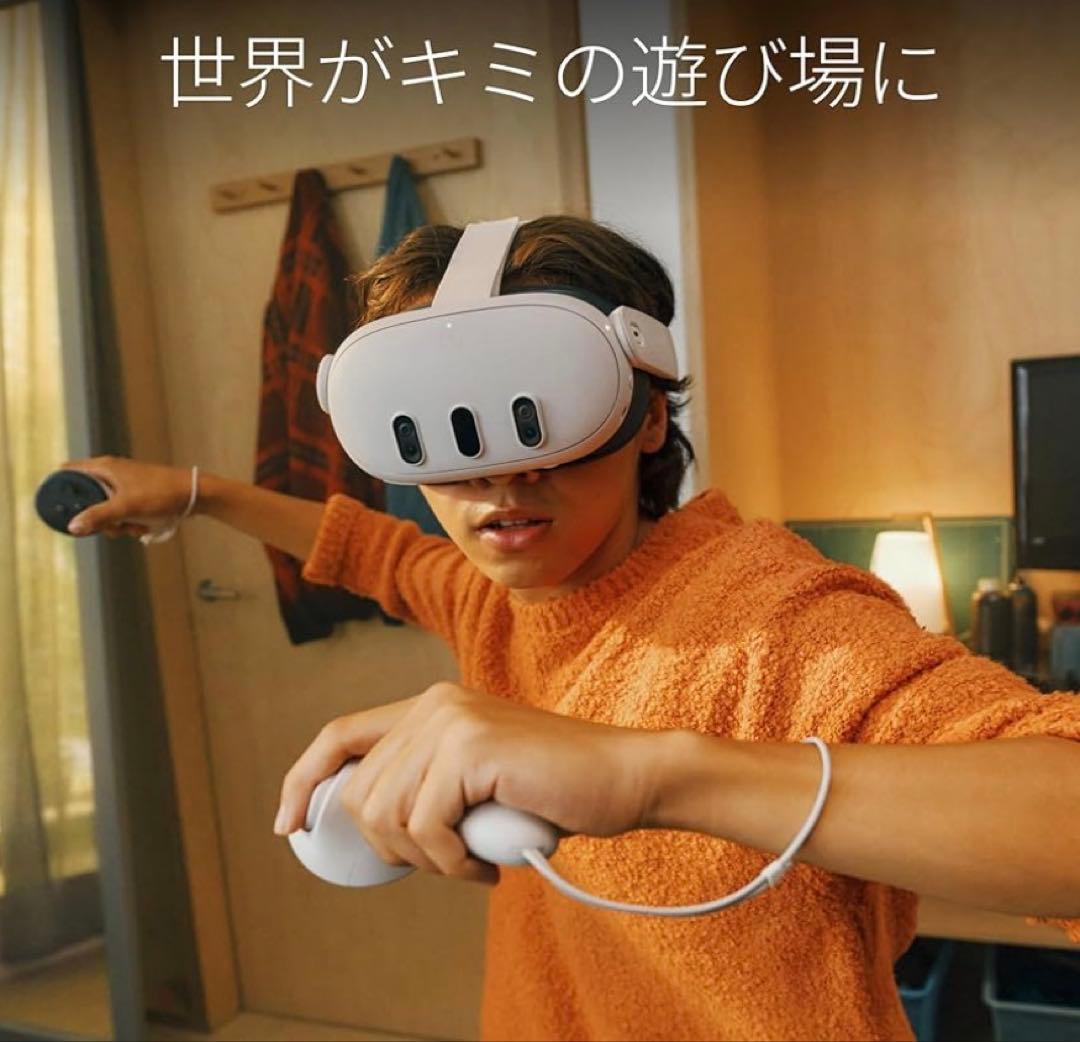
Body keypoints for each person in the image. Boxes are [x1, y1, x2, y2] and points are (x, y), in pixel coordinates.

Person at [64, 216, 1080, 1042]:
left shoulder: (773, 617)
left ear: (646, 416)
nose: (499, 479)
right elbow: (372, 550)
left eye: (539, 415)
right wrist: (194, 493)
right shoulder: (496, 595)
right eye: (442, 429)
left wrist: (650, 773)